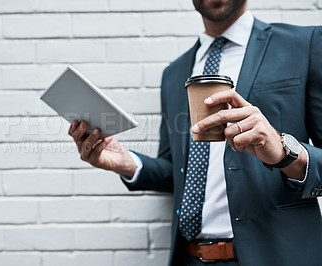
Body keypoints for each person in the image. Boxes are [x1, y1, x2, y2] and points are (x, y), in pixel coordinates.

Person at [68, 0, 322, 265]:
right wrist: (128, 164)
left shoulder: (304, 45)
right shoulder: (174, 73)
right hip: (190, 257)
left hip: (276, 256)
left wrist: (284, 151)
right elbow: (176, 173)